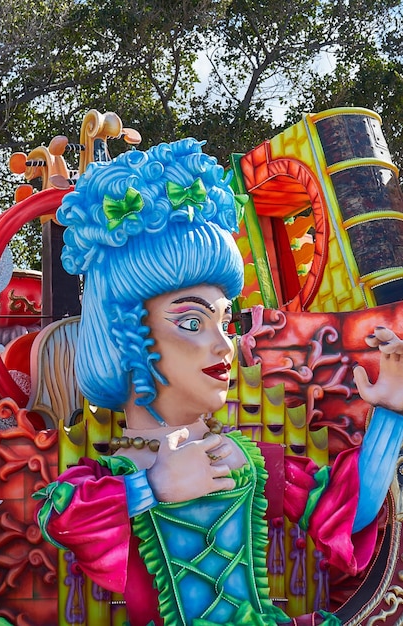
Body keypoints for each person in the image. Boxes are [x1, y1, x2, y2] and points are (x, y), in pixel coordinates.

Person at [34, 138, 403, 626]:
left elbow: (345, 515)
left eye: (225, 322)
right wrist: (150, 487)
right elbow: (59, 522)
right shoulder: (105, 482)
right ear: (125, 338)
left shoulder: (245, 461)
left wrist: (390, 416)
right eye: (192, 322)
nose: (223, 346)